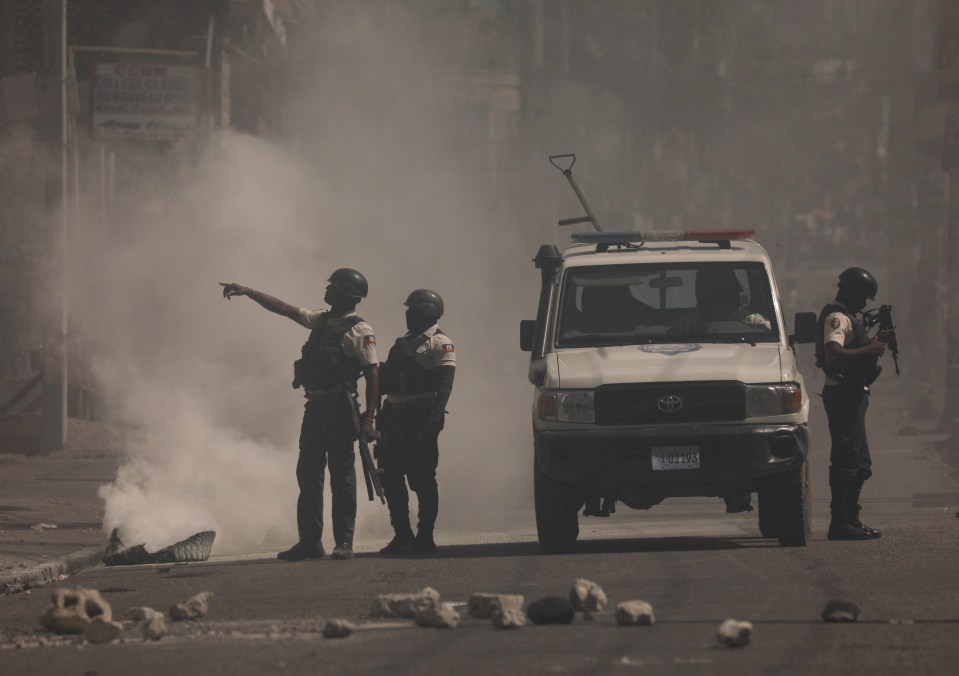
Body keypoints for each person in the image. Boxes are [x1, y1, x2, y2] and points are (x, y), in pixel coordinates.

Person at [220, 269, 379, 561]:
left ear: (346, 294)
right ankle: (310, 541)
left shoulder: (360, 330)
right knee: (308, 474)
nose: (327, 290)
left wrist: (369, 419)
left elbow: (372, 375)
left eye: (333, 287)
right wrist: (250, 291)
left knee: (341, 477)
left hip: (342, 409)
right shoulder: (321, 320)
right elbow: (283, 309)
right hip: (316, 407)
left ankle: (344, 542)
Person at [377, 289, 456, 556]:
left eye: (413, 310)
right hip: (395, 413)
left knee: (422, 478)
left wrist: (435, 418)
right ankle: (402, 534)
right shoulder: (404, 341)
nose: (408, 315)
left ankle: (424, 537)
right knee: (390, 476)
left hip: (420, 414)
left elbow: (443, 384)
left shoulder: (439, 342)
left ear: (426, 314)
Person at [815, 267, 887, 541]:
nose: (865, 304)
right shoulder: (837, 318)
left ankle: (851, 520)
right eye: (864, 297)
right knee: (846, 459)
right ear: (851, 291)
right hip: (843, 395)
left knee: (860, 461)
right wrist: (869, 349)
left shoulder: (850, 319)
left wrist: (876, 343)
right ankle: (841, 523)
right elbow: (834, 353)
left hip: (853, 394)